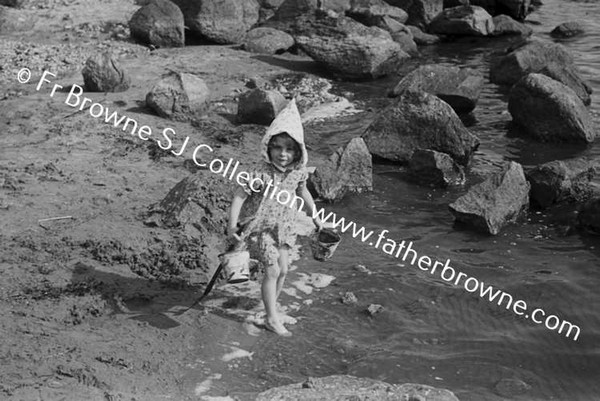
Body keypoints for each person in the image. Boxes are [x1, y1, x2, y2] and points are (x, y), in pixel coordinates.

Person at [227, 99, 322, 336]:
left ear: (298, 152)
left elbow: (303, 191)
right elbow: (240, 195)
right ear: (268, 147)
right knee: (271, 270)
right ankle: (270, 317)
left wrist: (315, 216)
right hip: (260, 228)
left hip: (284, 227)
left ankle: (271, 310)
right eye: (278, 147)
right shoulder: (261, 172)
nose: (283, 154)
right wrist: (231, 226)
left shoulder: (297, 172)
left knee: (284, 270)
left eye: (289, 149)